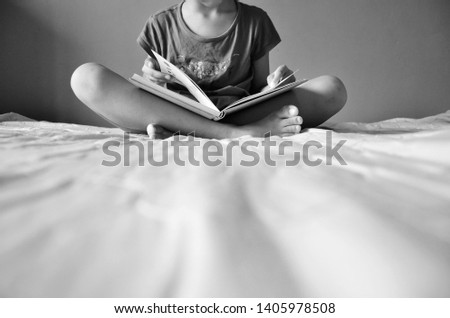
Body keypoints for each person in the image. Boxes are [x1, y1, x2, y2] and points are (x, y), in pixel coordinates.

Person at [71, 0, 347, 139]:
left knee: (332, 89)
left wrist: (278, 84)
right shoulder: (160, 24)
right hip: (180, 113)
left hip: (238, 111)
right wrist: (150, 78)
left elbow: (258, 90)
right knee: (86, 77)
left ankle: (190, 134)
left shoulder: (255, 21)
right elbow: (153, 92)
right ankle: (234, 135)